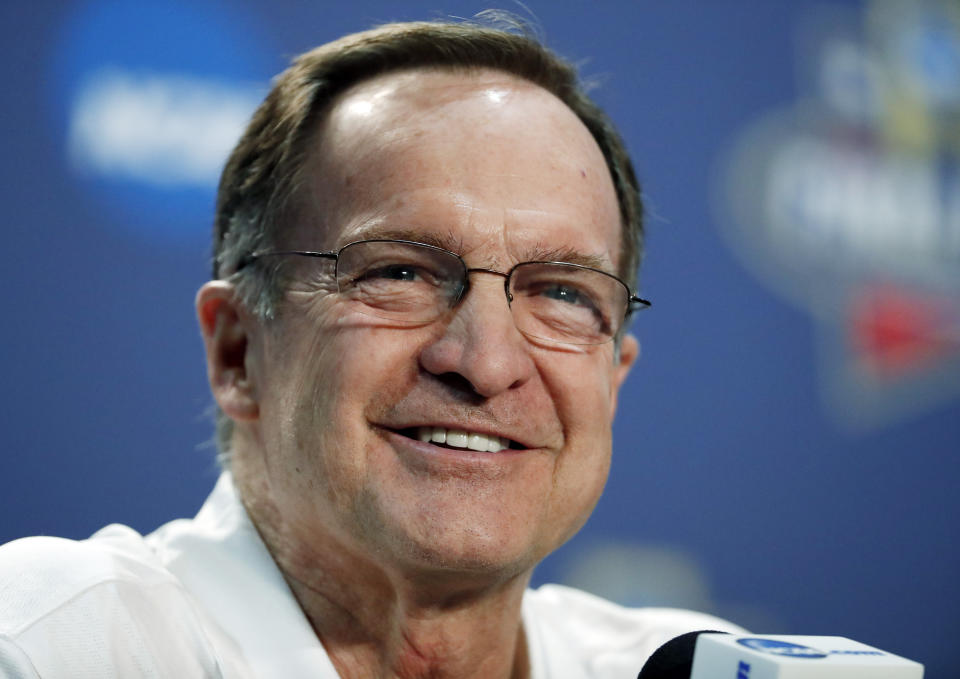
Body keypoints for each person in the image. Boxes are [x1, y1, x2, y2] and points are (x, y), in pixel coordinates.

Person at [0, 18, 741, 678]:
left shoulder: (711, 668)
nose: (487, 362)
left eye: (563, 293)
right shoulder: (44, 648)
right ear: (237, 351)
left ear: (614, 378)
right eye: (400, 273)